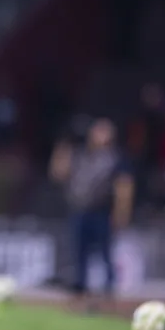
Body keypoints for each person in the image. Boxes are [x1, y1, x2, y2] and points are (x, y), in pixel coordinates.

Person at [50, 118, 133, 299]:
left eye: (106, 132)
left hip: (102, 210)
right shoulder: (79, 154)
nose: (102, 136)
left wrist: (121, 212)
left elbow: (124, 186)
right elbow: (58, 173)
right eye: (98, 131)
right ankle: (80, 285)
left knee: (106, 251)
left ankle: (109, 286)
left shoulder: (116, 158)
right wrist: (62, 147)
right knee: (78, 250)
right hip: (79, 209)